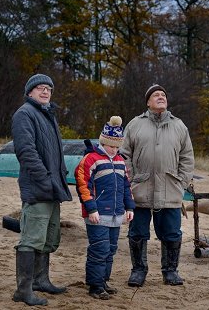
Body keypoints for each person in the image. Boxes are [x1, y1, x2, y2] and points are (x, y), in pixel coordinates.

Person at [121, 84, 194, 287]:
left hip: (170, 188)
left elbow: (187, 158)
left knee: (171, 233)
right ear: (148, 102)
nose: (161, 97)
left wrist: (181, 183)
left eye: (163, 95)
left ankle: (170, 271)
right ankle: (138, 271)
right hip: (139, 189)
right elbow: (124, 155)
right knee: (137, 233)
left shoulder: (179, 126)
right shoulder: (135, 124)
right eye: (156, 95)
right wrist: (130, 181)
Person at [11, 74, 73, 306]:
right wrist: (45, 180)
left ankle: (40, 280)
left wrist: (59, 178)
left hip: (52, 188)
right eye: (40, 88)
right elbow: (26, 152)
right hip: (38, 188)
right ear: (30, 93)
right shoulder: (24, 114)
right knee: (31, 238)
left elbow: (55, 152)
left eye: (48, 88)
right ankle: (23, 290)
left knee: (48, 238)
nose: (45, 91)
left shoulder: (48, 115)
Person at [75, 116, 135, 300]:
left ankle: (103, 281)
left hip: (116, 215)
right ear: (103, 142)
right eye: (111, 146)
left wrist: (129, 207)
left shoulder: (119, 161)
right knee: (99, 249)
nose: (114, 150)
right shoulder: (91, 158)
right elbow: (83, 185)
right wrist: (91, 209)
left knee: (110, 250)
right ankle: (94, 285)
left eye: (117, 147)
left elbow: (126, 187)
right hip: (98, 215)